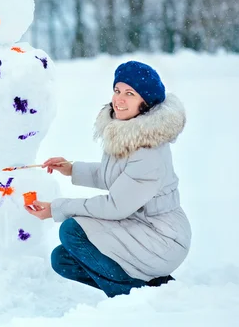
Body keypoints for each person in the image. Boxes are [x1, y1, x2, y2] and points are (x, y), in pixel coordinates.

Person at [25, 60, 191, 298]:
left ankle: (131, 295)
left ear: (146, 103)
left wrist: (56, 208)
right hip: (138, 225)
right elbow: (115, 177)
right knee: (63, 259)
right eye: (117, 91)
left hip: (162, 237)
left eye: (129, 94)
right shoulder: (129, 133)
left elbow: (115, 206)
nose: (119, 100)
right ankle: (155, 287)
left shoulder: (148, 150)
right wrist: (71, 169)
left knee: (72, 230)